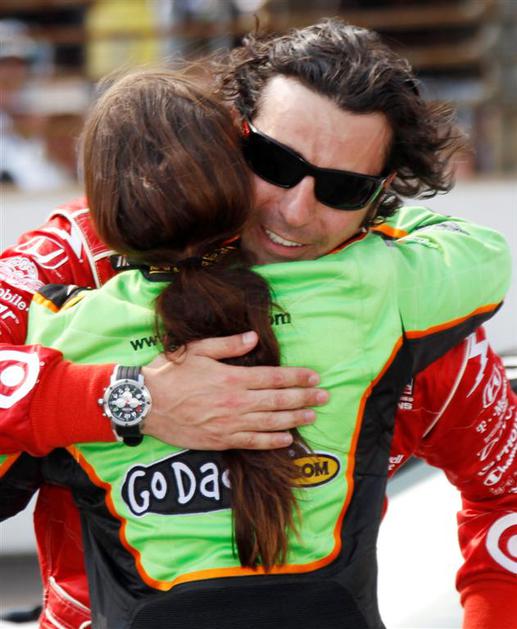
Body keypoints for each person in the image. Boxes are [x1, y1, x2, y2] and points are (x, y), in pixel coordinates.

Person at [0, 18, 515, 628]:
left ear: (380, 194)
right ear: (229, 133)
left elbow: (505, 492)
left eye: (343, 188)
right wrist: (129, 398)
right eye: (275, 162)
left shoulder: (401, 296)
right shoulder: (92, 250)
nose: (296, 211)